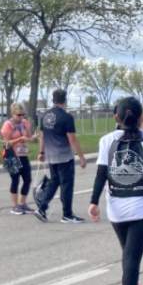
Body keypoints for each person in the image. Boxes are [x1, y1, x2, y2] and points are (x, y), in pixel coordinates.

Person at [88, 96, 143, 285]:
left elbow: (101, 173)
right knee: (131, 256)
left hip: (117, 207)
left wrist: (94, 201)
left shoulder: (106, 140)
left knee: (128, 253)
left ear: (116, 117)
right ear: (142, 117)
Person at [34, 88, 88, 223]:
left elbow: (42, 136)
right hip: (64, 156)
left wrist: (41, 152)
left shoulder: (45, 116)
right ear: (65, 100)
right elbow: (72, 139)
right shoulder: (66, 117)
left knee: (54, 182)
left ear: (53, 99)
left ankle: (42, 207)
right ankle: (67, 214)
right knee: (67, 185)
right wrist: (81, 157)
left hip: (51, 156)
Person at [0, 101, 34, 213]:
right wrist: (19, 139)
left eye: (23, 114)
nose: (21, 117)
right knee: (15, 180)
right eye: (18, 115)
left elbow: (28, 137)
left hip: (23, 154)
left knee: (28, 179)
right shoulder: (7, 125)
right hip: (11, 155)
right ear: (13, 114)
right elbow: (6, 144)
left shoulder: (24, 123)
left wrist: (33, 136)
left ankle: (22, 203)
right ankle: (15, 206)